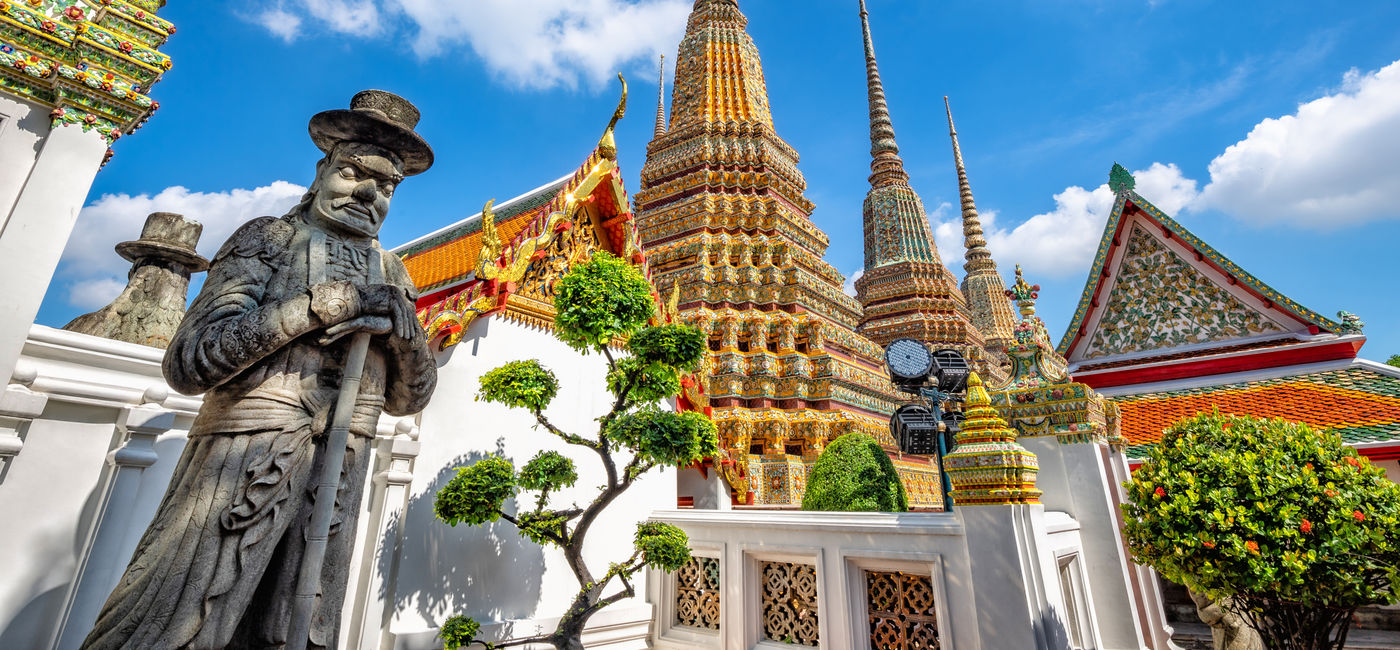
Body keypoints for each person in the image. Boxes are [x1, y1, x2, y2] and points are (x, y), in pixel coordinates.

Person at [81, 90, 438, 650]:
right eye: (351, 172)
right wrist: (315, 307)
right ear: (322, 171)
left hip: (339, 470)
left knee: (305, 626)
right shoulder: (269, 238)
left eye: (387, 186)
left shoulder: (391, 271)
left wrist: (407, 336)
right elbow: (190, 362)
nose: (368, 194)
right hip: (247, 449)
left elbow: (407, 400)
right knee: (180, 617)